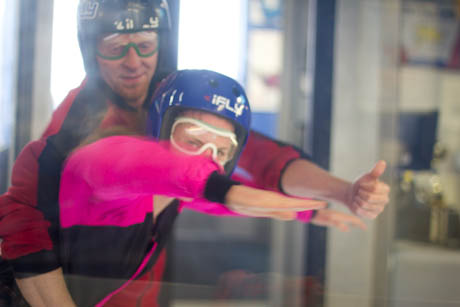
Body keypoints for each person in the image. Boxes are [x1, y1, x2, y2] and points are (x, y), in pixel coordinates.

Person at [0, 0, 389, 306]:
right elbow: (23, 215)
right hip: (74, 286)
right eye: (117, 48)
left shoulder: (171, 101)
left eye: (146, 45)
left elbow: (256, 156)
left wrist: (339, 193)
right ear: (92, 52)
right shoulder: (76, 128)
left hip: (140, 284)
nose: (134, 61)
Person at [58, 69, 329, 306]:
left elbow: (228, 199)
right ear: (159, 128)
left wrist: (310, 211)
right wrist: (223, 189)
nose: (205, 160)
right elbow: (111, 161)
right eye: (193, 141)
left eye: (221, 151)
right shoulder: (110, 167)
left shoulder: (177, 198)